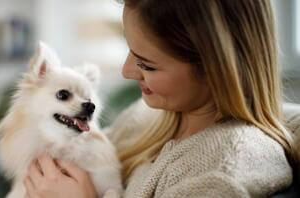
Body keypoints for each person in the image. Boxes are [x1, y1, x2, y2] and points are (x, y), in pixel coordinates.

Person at [23, 0, 297, 197]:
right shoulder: (141, 118)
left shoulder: (223, 172)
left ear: (217, 69)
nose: (127, 71)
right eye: (130, 51)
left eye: (147, 64)